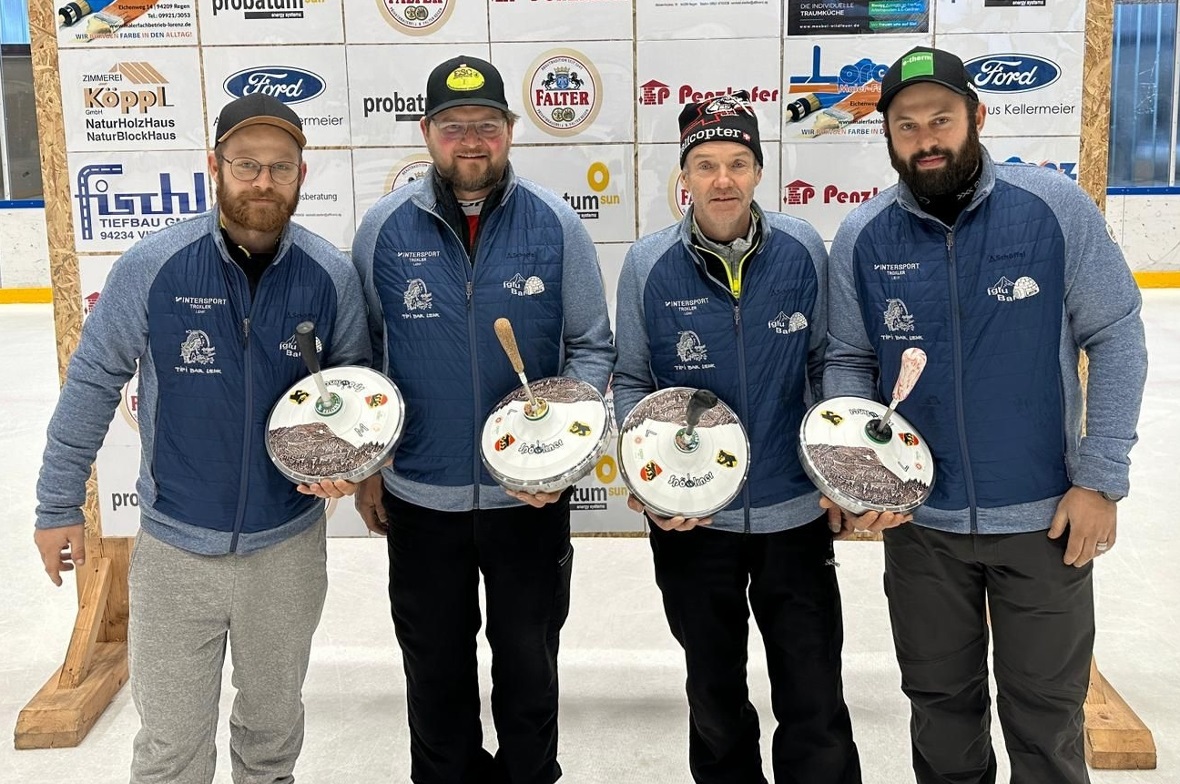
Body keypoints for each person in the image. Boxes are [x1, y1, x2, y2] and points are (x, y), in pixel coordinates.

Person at [824, 46, 1149, 784]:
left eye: (941, 119)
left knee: (1045, 715)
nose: (926, 139)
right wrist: (862, 481)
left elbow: (1117, 332)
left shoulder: (1053, 207)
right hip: (922, 528)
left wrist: (1100, 480)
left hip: (1046, 521)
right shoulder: (863, 236)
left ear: (977, 116)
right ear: (888, 139)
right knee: (940, 709)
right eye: (906, 127)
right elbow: (846, 361)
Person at [33, 94, 370, 784]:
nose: (263, 182)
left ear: (303, 174)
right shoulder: (153, 267)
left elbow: (356, 397)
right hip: (176, 550)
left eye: (280, 167)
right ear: (214, 167)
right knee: (170, 750)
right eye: (247, 165)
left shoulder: (331, 277)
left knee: (272, 738)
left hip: (286, 549)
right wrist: (57, 504)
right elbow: (94, 381)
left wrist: (353, 464)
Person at [350, 55, 614, 784]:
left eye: (487, 126)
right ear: (427, 132)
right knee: (434, 673)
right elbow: (364, 356)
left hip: (526, 501)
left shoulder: (557, 226)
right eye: (454, 126)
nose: (472, 141)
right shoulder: (382, 229)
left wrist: (561, 454)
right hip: (421, 498)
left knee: (529, 669)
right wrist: (373, 466)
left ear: (510, 131)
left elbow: (592, 346)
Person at [611, 91, 862, 784]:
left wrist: (838, 475)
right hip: (694, 520)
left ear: (758, 172)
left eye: (738, 163)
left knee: (813, 696)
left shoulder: (805, 248)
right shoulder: (647, 264)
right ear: (683, 177)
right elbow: (632, 381)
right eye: (706, 164)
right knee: (715, 698)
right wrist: (647, 480)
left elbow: (829, 366)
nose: (723, 179)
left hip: (793, 512)